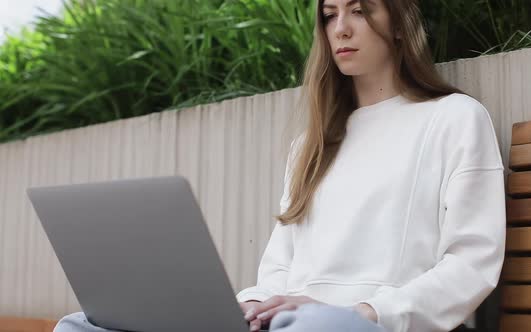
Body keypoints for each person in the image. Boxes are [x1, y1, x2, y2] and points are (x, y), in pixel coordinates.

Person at [54, 0, 506, 331]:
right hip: (292, 322)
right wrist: (250, 306)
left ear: (401, 23)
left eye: (360, 11)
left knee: (313, 328)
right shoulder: (311, 146)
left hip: (372, 324)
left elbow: (471, 263)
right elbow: (278, 270)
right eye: (330, 15)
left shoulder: (454, 118)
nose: (341, 29)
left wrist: (367, 312)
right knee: (79, 327)